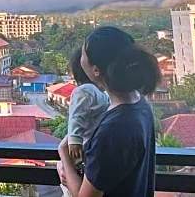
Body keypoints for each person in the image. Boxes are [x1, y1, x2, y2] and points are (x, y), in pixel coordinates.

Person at [58, 26, 161, 197]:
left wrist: (64, 156)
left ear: (96, 70)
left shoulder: (113, 129)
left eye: (84, 53)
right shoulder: (140, 104)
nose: (80, 56)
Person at [64, 48, 109, 166]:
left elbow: (77, 116)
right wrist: (74, 140)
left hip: (90, 147)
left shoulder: (91, 91)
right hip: (87, 147)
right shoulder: (86, 90)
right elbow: (76, 116)